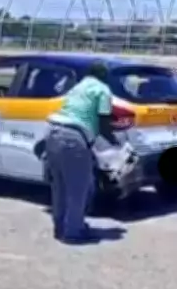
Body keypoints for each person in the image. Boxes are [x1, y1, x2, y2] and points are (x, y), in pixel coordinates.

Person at [45, 60, 128, 243]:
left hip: (52, 133)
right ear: (104, 76)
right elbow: (104, 121)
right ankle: (74, 232)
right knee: (79, 188)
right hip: (73, 138)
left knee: (60, 186)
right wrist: (116, 142)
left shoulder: (78, 87)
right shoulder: (102, 90)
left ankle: (60, 227)